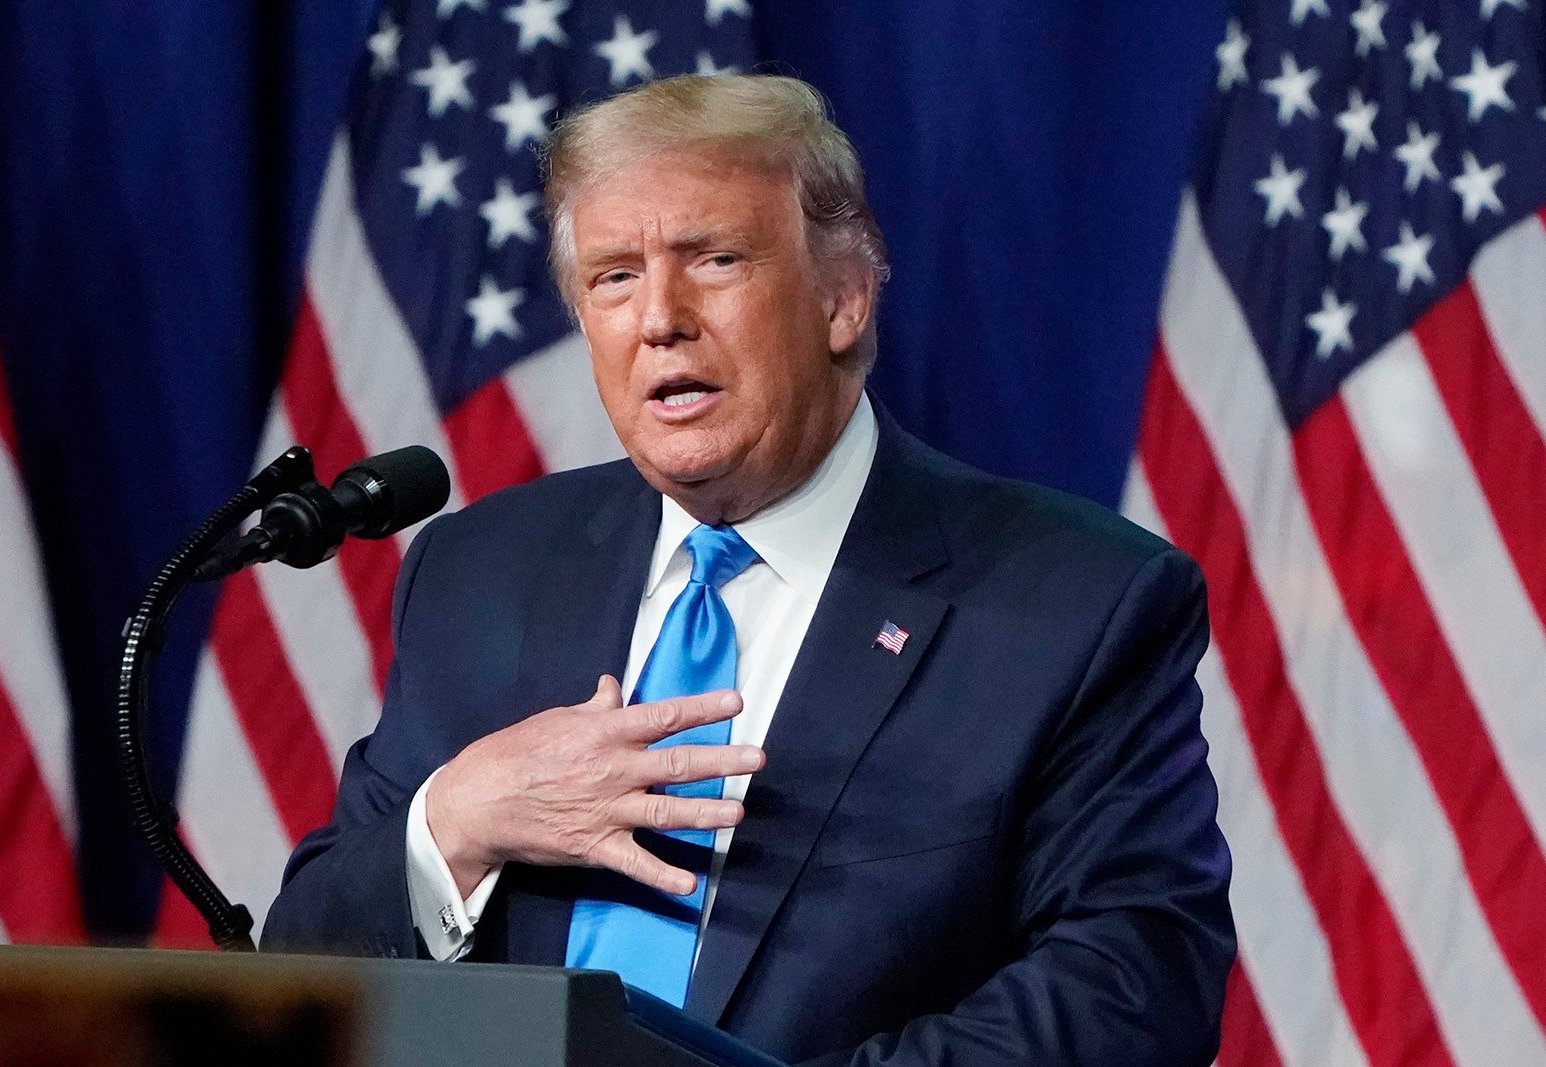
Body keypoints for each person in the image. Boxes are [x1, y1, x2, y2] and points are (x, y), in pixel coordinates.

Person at [263, 73, 1235, 1066]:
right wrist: (461, 817)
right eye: (612, 277)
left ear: (842, 298)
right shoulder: (484, 568)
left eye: (714, 260)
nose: (660, 319)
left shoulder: (1071, 602)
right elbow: (303, 958)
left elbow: (1133, 984)